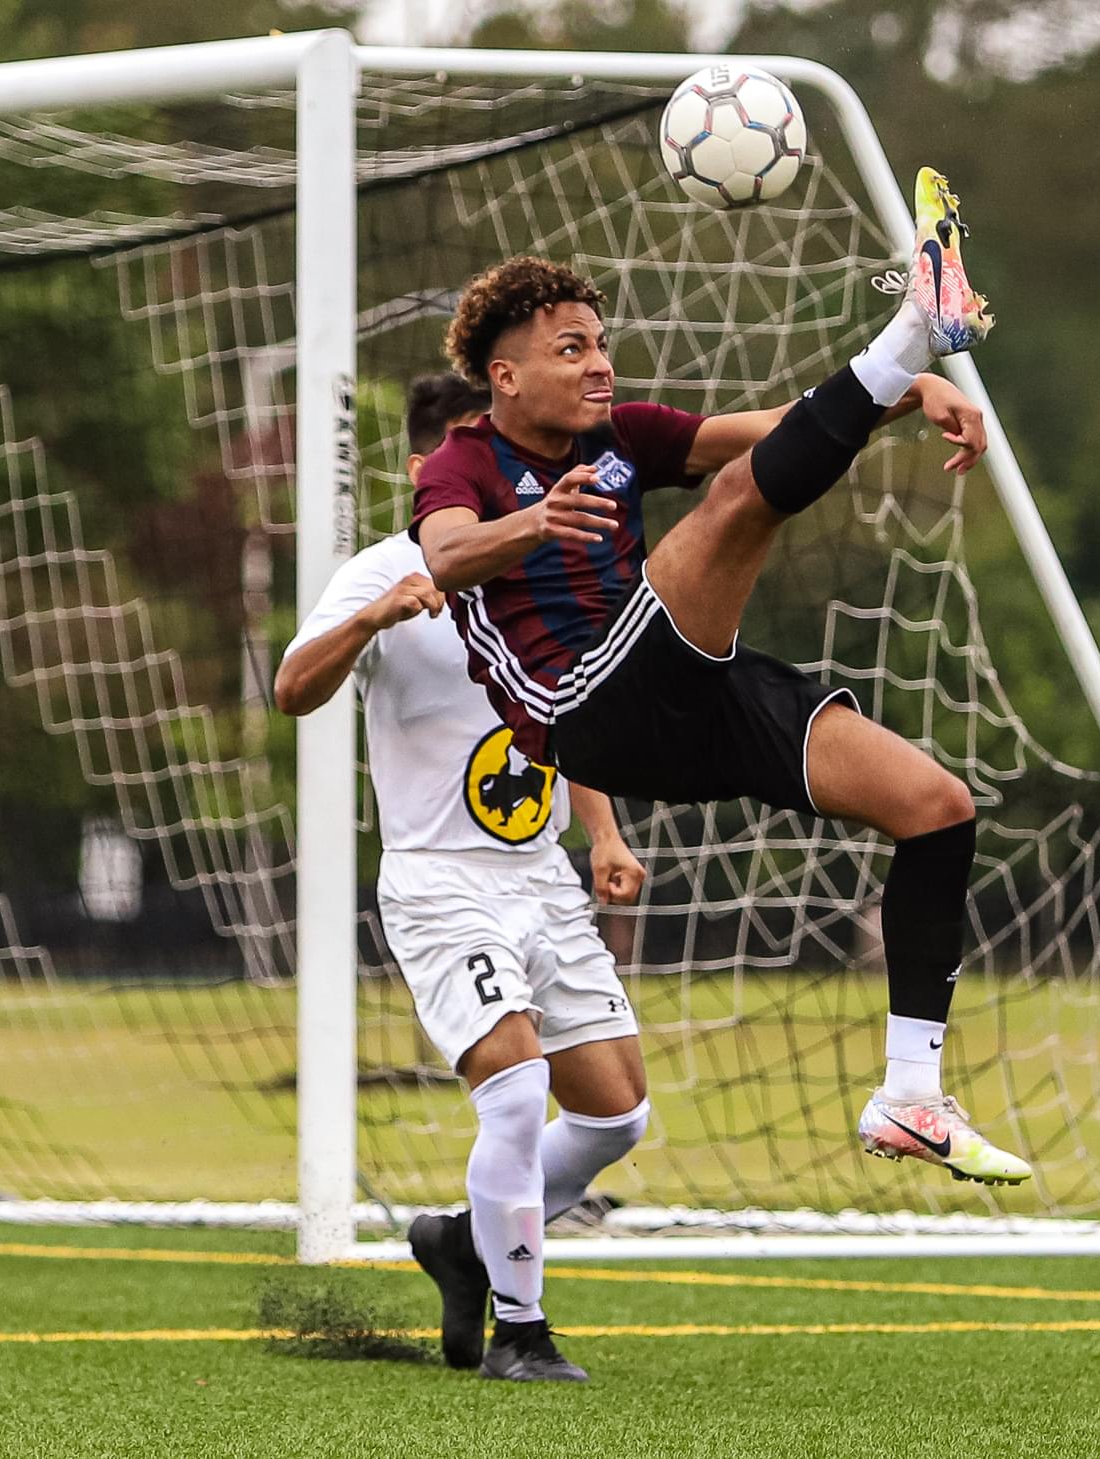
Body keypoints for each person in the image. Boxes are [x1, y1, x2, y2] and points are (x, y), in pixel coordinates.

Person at [412, 169, 1032, 1190]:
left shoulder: (621, 438)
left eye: (600, 343)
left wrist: (913, 395)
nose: (598, 366)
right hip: (586, 707)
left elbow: (783, 425)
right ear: (504, 376)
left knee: (934, 807)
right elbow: (437, 559)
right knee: (741, 501)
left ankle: (908, 1095)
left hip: (685, 690)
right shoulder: (461, 464)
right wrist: (529, 523)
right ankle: (915, 326)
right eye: (571, 350)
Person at [276, 374, 648, 1383]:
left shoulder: (551, 567)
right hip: (440, 883)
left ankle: (465, 1242)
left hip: (540, 880)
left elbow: (568, 714)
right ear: (421, 472)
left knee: (618, 1114)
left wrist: (603, 833)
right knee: (518, 1095)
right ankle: (520, 1333)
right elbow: (290, 687)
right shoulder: (380, 572)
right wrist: (372, 619)